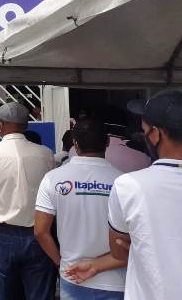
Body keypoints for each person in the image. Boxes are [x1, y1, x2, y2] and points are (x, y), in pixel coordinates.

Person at [107, 90, 182, 299]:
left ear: (156, 134)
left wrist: (143, 244)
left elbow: (118, 251)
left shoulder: (128, 186)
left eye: (145, 131)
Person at [35, 117, 126, 300]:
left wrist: (60, 263)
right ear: (107, 141)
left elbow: (40, 231)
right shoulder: (124, 182)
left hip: (73, 277)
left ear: (75, 144)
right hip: (116, 280)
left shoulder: (52, 179)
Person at [0, 102, 55, 300]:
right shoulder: (45, 153)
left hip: (1, 233)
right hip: (38, 232)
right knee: (40, 293)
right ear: (26, 126)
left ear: (0, 125)